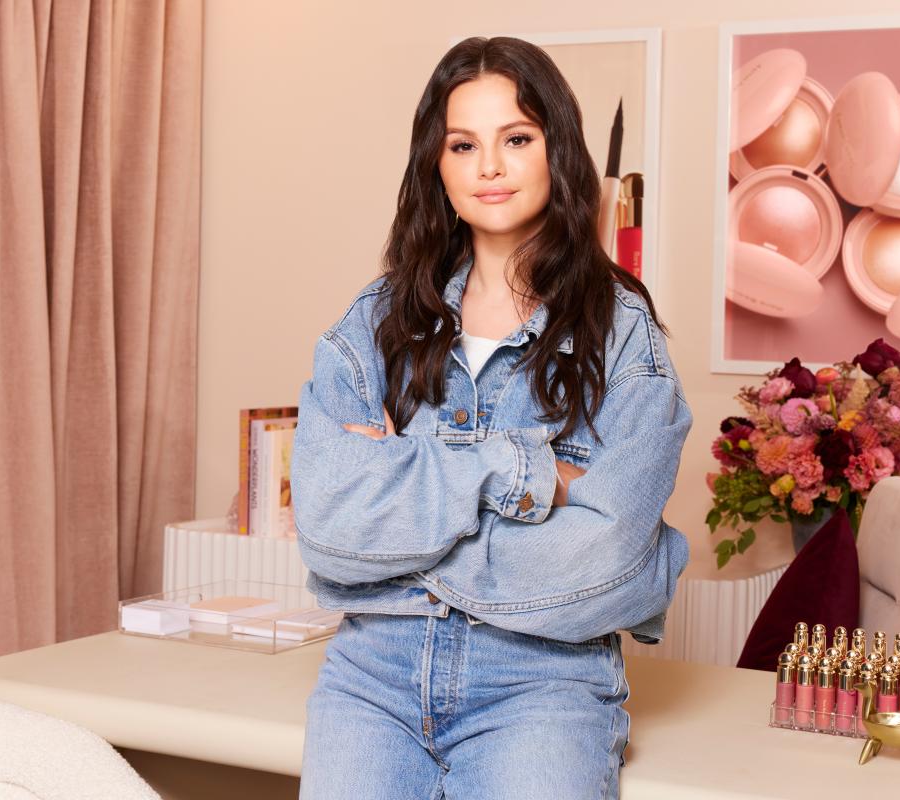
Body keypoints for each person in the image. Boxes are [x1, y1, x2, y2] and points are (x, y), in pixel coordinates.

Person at [292, 36, 692, 800]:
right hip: (369, 681)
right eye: (462, 144)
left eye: (516, 139)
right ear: (434, 167)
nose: (489, 166)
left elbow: (601, 562)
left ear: (558, 152)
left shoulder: (624, 334)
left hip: (542, 686)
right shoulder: (371, 325)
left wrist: (405, 525)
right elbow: (327, 524)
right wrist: (525, 474)